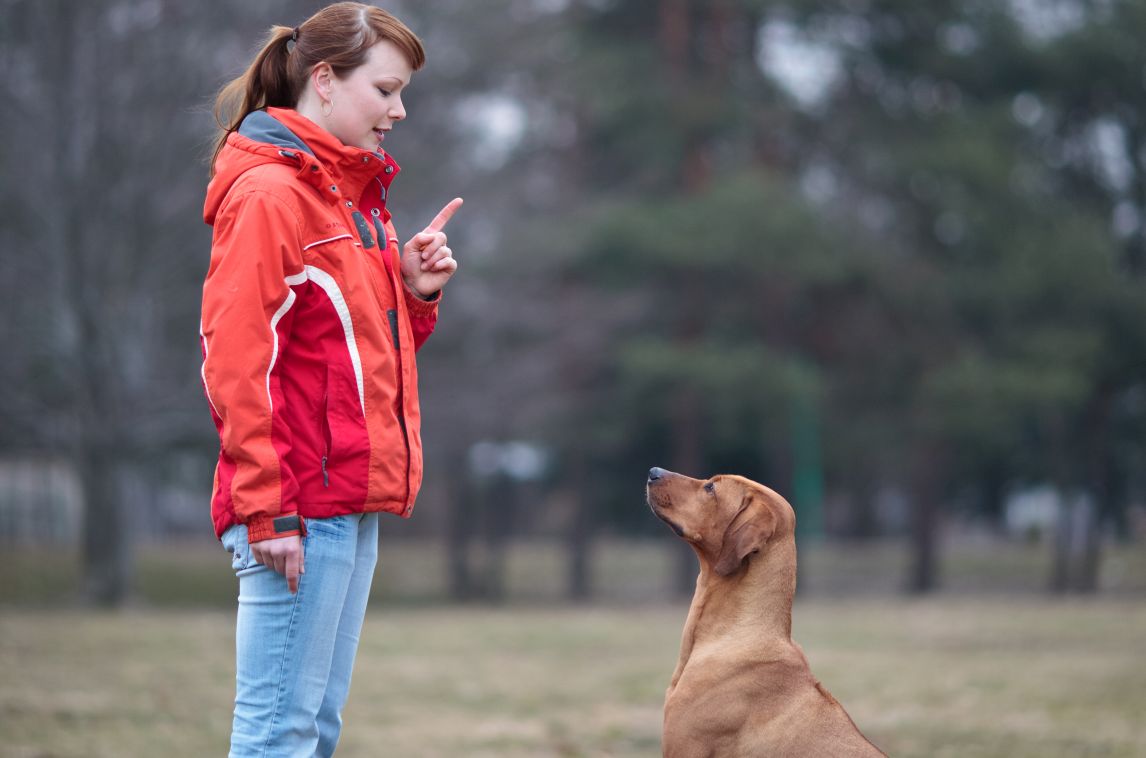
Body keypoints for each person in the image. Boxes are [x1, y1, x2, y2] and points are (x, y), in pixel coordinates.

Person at [199, 4, 461, 755]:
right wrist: (266, 508)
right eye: (385, 89)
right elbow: (233, 359)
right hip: (296, 511)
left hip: (346, 504)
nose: (399, 110)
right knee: (278, 735)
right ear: (323, 79)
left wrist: (413, 291)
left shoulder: (349, 203)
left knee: (312, 730)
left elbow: (361, 361)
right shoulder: (271, 196)